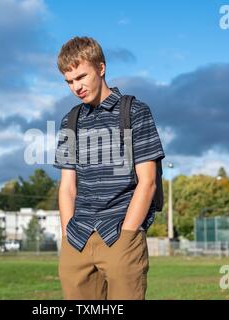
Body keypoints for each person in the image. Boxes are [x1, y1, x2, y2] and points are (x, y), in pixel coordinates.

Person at [53, 36, 165, 300]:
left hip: (119, 235)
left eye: (81, 77)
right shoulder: (70, 121)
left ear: (101, 68)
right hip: (77, 239)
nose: (76, 87)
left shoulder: (135, 111)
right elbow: (67, 186)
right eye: (69, 82)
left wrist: (128, 235)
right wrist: (67, 236)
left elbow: (147, 182)